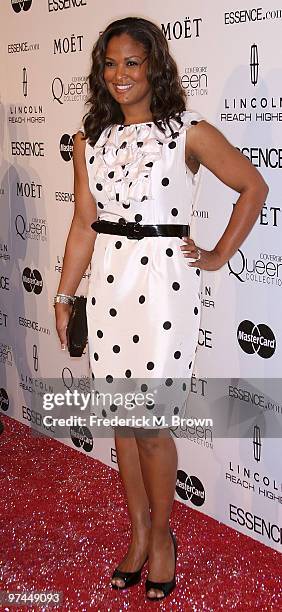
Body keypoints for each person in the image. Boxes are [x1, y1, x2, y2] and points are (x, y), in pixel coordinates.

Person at [54, 17, 268, 601]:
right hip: (110, 285)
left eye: (132, 62)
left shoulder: (186, 132)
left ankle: (165, 534)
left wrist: (220, 254)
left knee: (149, 423)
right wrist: (65, 292)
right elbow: (82, 223)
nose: (120, 75)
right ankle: (140, 531)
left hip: (164, 290)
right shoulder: (89, 139)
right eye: (110, 63)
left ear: (155, 66)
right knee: (122, 423)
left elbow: (253, 186)